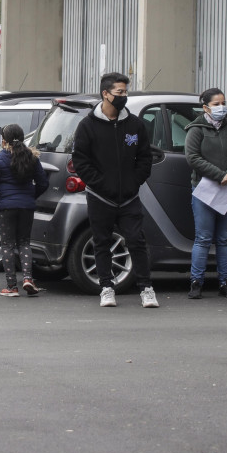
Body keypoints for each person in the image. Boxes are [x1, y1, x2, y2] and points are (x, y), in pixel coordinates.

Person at [72, 72, 158, 309]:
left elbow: (144, 158)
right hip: (100, 196)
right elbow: (81, 161)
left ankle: (146, 289)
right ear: (105, 94)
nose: (123, 96)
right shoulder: (87, 126)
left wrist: (134, 182)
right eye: (119, 92)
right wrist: (100, 183)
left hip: (129, 196)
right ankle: (107, 288)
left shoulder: (135, 125)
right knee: (102, 242)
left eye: (125, 92)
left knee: (136, 241)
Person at [184, 88, 227, 299]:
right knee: (203, 238)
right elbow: (192, 157)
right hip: (204, 189)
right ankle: (196, 282)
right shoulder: (196, 129)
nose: (221, 107)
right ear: (205, 107)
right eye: (216, 104)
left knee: (224, 239)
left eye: (223, 103)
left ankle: (226, 282)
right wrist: (219, 175)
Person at [0, 123, 49, 297]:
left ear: (4, 141)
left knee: (7, 245)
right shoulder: (32, 158)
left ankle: (11, 286)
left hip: (6, 207)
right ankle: (28, 278)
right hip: (27, 206)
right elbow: (43, 183)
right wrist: (30, 196)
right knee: (24, 243)